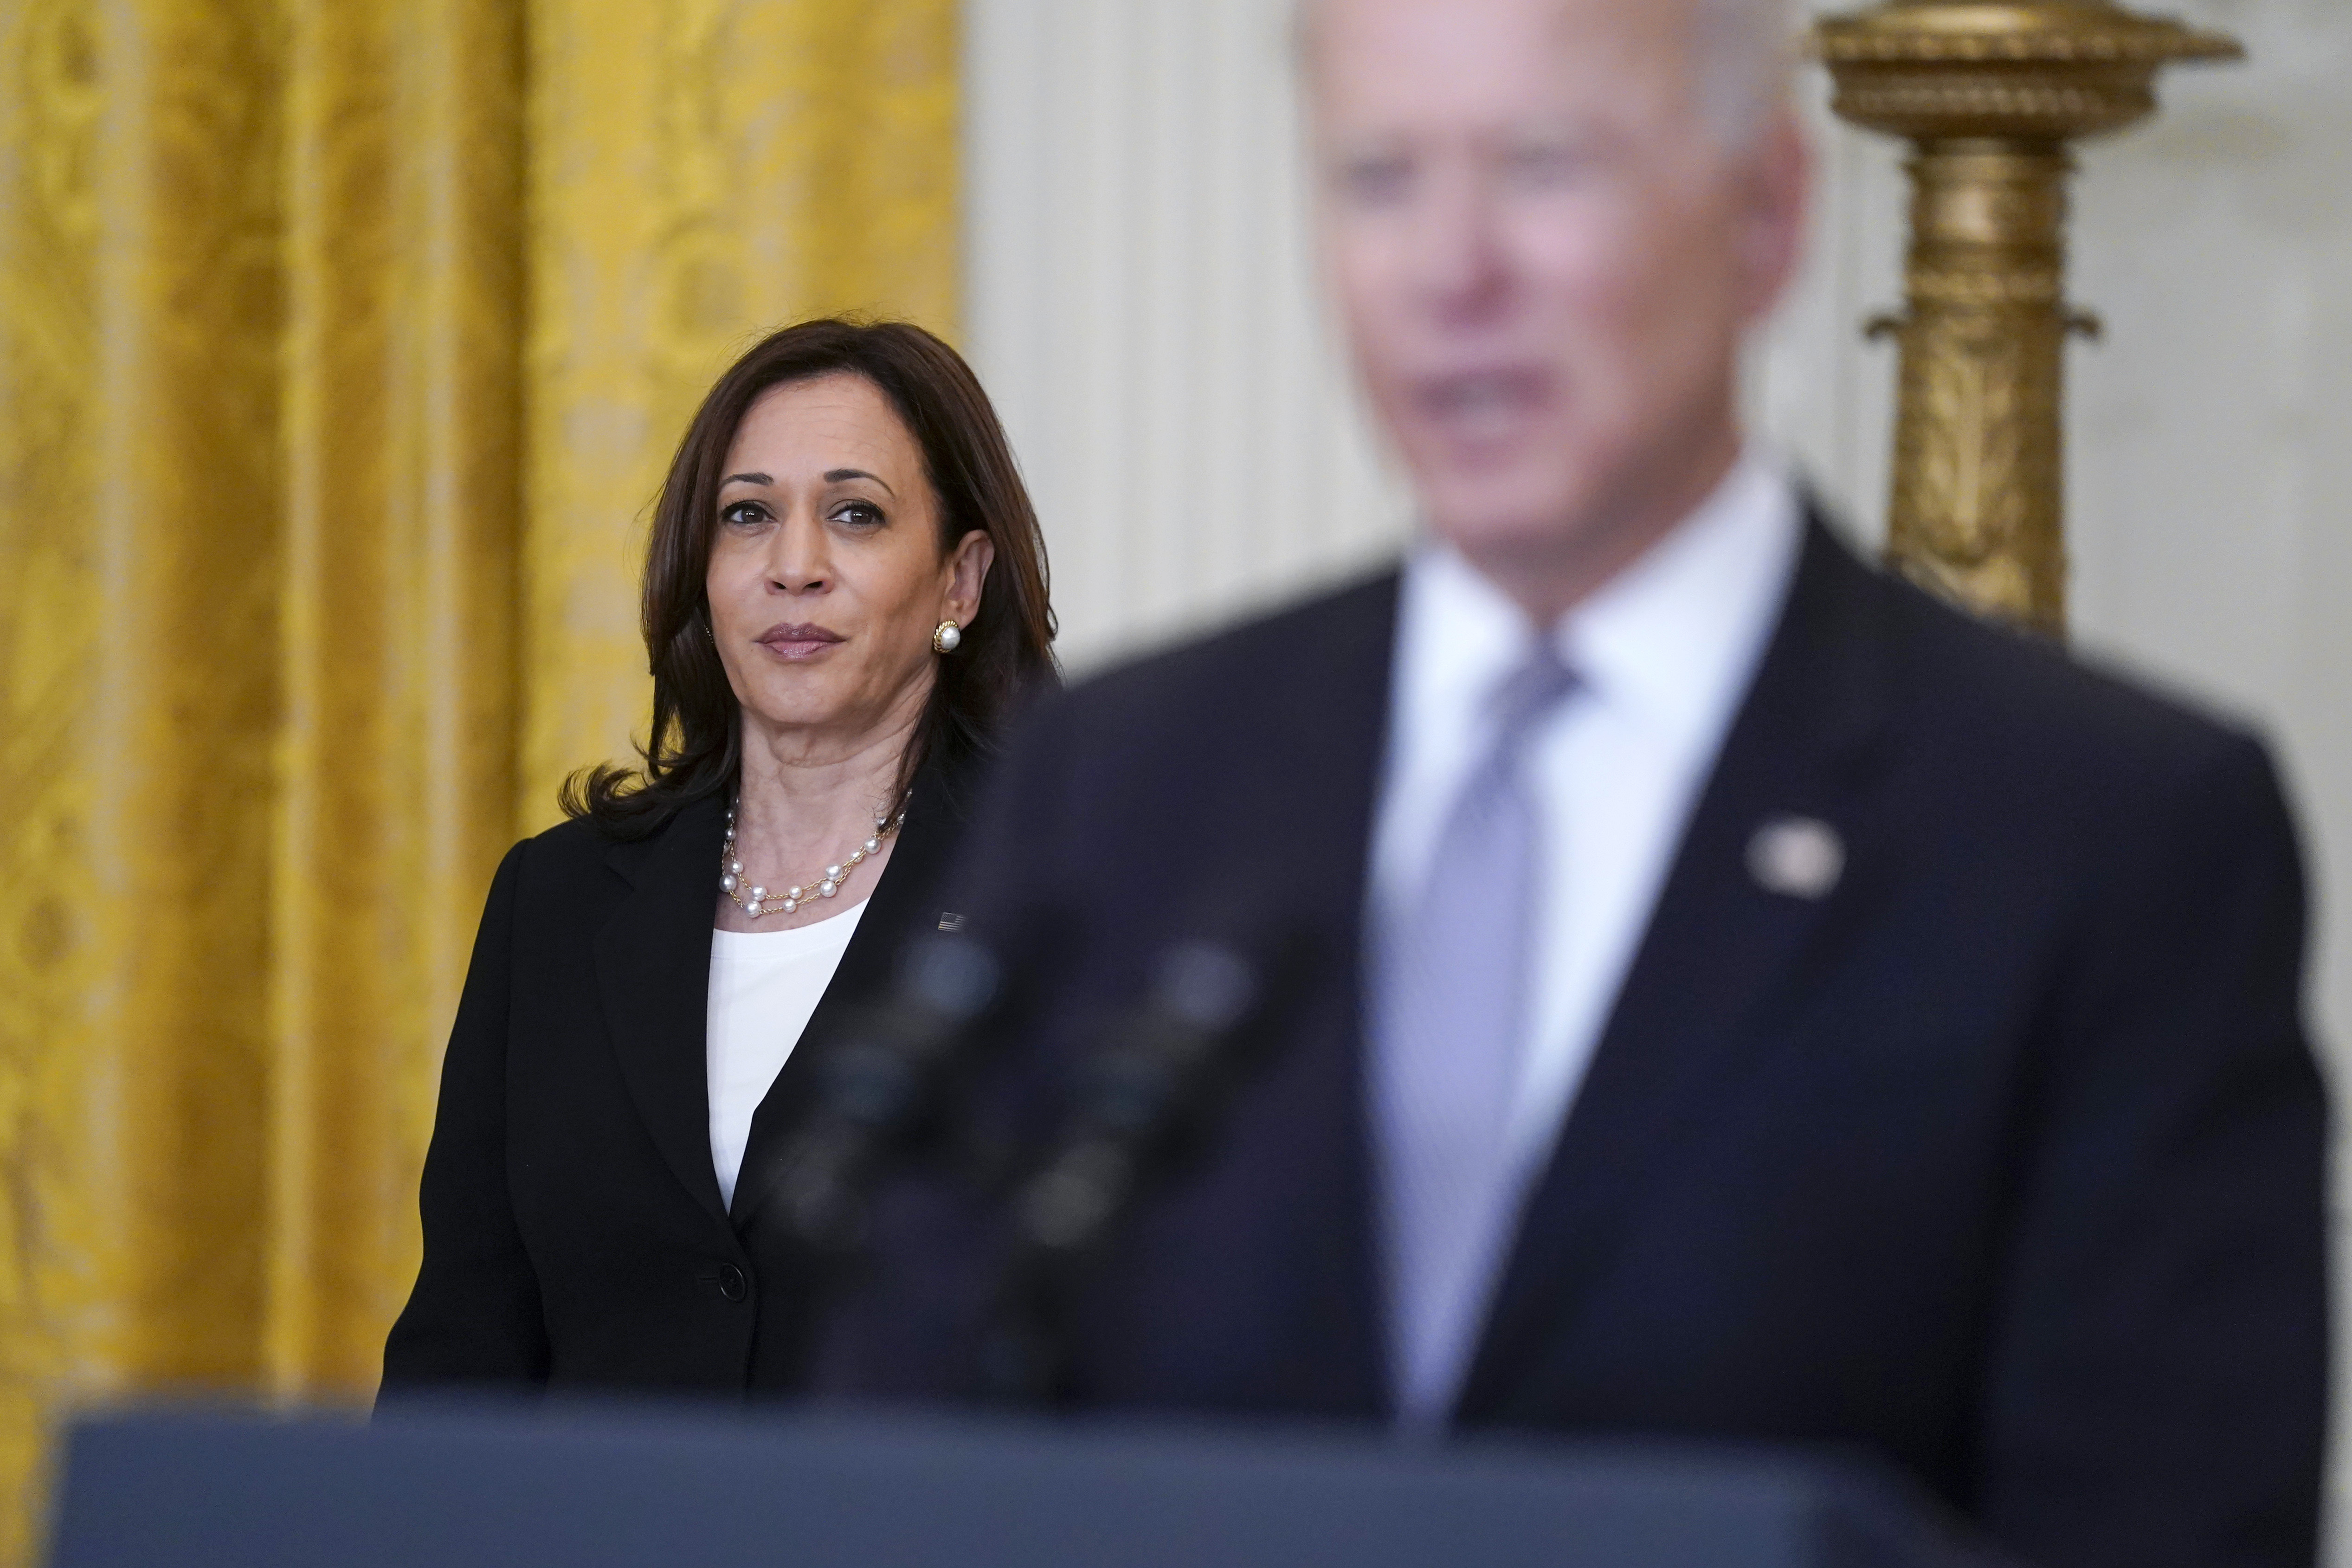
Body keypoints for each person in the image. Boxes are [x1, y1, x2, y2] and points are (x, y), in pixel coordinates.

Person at [831, 2, 2329, 1566]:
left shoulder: (2110, 836)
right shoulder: (1129, 782)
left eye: (1545, 167)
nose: (1453, 273)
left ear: (1766, 213)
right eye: (1382, 178)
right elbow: (927, 1449)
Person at [381, 318, 1056, 1396]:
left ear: (960, 583)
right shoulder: (554, 903)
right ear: (703, 569)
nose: (796, 567)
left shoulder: (1052, 900)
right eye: (748, 517)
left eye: (855, 515)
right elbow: (461, 1350)